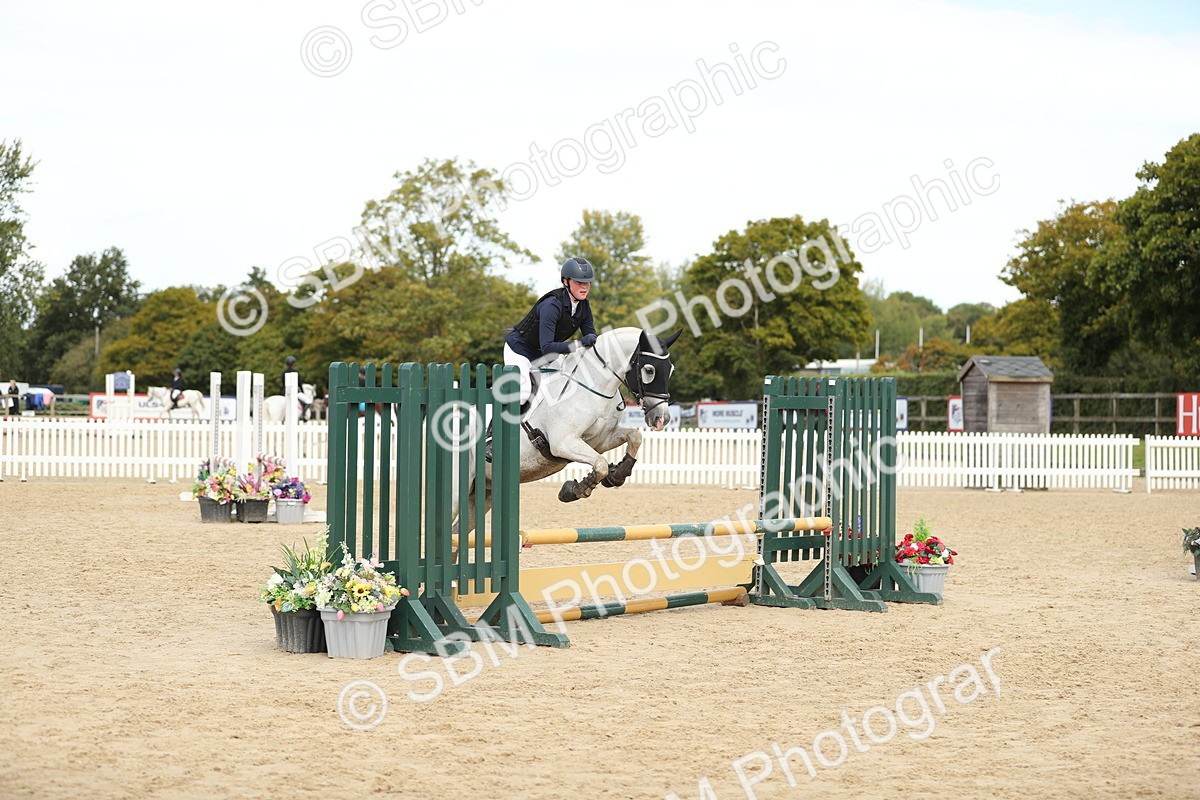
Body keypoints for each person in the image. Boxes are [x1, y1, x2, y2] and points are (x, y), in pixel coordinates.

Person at [502, 256, 599, 412]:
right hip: (520, 350)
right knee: (524, 392)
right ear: (566, 282)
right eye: (579, 282)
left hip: (543, 355)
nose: (584, 287)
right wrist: (580, 343)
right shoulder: (552, 305)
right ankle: (493, 429)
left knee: (560, 390)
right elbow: (547, 347)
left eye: (587, 283)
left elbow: (591, 339)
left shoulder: (584, 307)